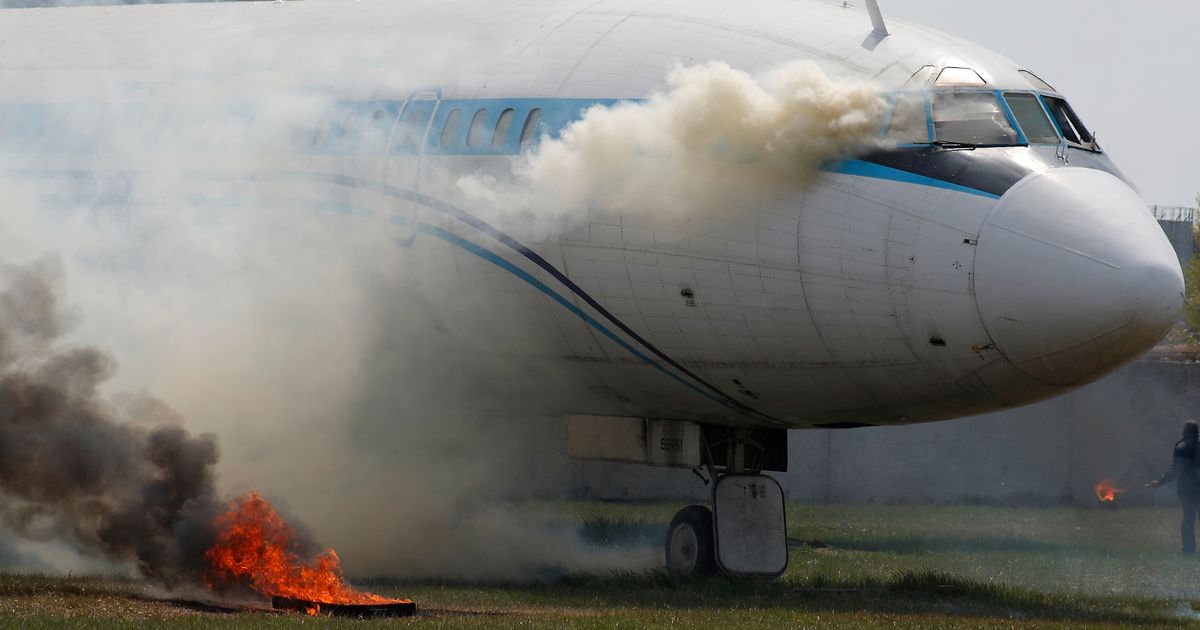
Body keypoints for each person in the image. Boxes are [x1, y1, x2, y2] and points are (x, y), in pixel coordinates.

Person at [1149, 420, 1200, 553]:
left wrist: (1160, 482)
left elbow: (1176, 470)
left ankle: (1189, 550)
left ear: (1185, 432)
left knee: (1188, 520)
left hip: (1188, 490)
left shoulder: (1181, 448)